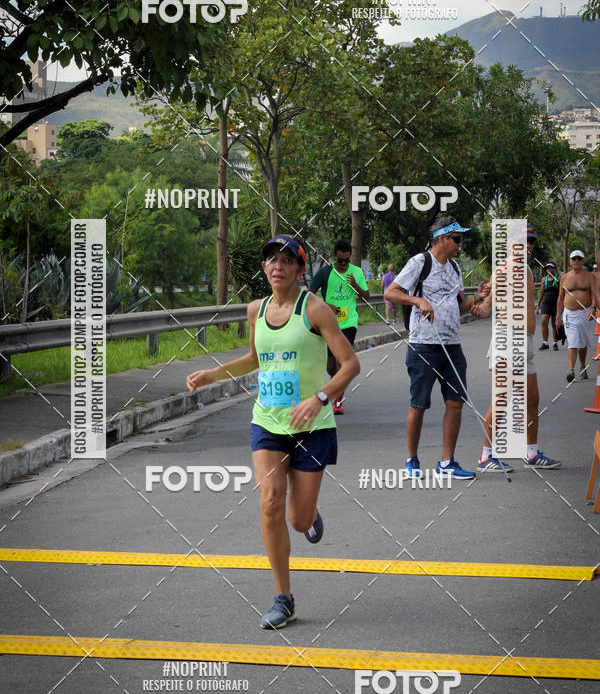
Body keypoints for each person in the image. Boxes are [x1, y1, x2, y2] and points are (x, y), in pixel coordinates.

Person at [186, 234, 360, 630]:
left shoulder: (316, 310)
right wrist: (211, 374)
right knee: (269, 503)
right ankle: (284, 599)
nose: (277, 266)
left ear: (300, 269)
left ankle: (310, 515)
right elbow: (254, 357)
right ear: (264, 268)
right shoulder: (255, 310)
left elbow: (350, 364)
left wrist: (318, 397)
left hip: (312, 425)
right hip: (267, 421)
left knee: (297, 520)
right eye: (271, 260)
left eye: (286, 260)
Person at [384, 215, 486, 479]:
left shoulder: (455, 269)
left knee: (455, 403)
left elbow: (461, 306)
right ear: (443, 237)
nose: (459, 244)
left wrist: (478, 298)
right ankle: (411, 460)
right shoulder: (420, 262)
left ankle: (446, 462)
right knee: (419, 404)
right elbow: (391, 293)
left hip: (452, 346)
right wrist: (418, 300)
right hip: (423, 346)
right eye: (457, 239)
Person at [472, 225, 561, 470]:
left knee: (532, 398)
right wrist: (478, 304)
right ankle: (485, 456)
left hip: (526, 341)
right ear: (511, 242)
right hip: (509, 339)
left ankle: (531, 453)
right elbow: (488, 305)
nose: (529, 246)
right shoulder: (504, 269)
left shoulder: (529, 271)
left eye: (531, 242)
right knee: (501, 399)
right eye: (524, 241)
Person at [310, 239, 369, 415]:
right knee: (330, 365)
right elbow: (308, 295)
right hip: (328, 324)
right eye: (340, 261)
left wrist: (355, 285)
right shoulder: (325, 272)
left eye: (346, 261)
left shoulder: (356, 272)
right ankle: (337, 384)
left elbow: (366, 296)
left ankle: (337, 402)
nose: (343, 264)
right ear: (334, 257)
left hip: (348, 323)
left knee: (341, 361)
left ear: (350, 258)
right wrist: (326, 305)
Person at [556, 250, 597, 383]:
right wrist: (558, 316)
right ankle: (571, 369)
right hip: (570, 314)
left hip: (586, 313)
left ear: (583, 261)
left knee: (583, 343)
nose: (576, 261)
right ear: (570, 261)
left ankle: (583, 366)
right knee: (573, 342)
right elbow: (561, 297)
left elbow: (594, 294)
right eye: (574, 259)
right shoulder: (564, 277)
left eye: (579, 259)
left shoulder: (590, 276)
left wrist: (594, 308)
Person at [535, 262, 559, 350]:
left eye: (551, 268)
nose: (549, 270)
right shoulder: (543, 279)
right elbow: (541, 293)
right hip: (546, 303)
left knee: (554, 323)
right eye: (547, 268)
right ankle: (545, 343)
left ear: (554, 269)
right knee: (544, 321)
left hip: (555, 303)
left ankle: (555, 342)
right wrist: (538, 305)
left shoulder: (558, 278)